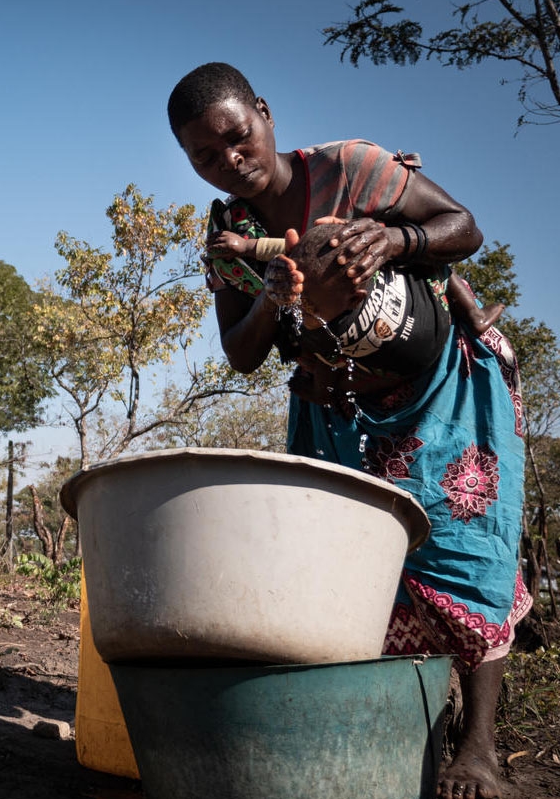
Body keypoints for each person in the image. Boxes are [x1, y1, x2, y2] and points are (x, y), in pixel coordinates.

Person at [168, 62, 531, 799]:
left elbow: (464, 229)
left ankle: (481, 747)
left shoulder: (353, 168)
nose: (228, 163)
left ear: (264, 114)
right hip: (336, 407)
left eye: (236, 139)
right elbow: (241, 353)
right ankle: (405, 726)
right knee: (363, 568)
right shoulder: (229, 231)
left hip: (442, 395)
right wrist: (272, 302)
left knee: (465, 554)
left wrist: (393, 243)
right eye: (203, 157)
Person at [206, 223, 504, 336]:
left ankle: (474, 314)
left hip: (388, 267)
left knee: (438, 268)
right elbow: (289, 248)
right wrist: (245, 247)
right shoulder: (304, 261)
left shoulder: (358, 252)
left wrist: (246, 246)